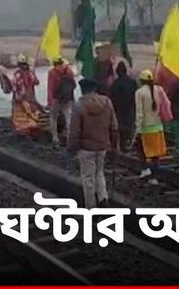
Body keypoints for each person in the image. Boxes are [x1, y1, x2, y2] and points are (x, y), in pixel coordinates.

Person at [68, 78, 119, 208]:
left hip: (86, 148)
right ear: (95, 89)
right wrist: (114, 147)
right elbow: (114, 127)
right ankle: (103, 198)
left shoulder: (78, 105)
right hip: (102, 146)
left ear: (82, 89)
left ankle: (91, 207)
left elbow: (75, 131)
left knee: (88, 178)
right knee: (99, 173)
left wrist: (71, 148)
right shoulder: (107, 103)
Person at [135, 69, 171, 185]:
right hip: (158, 126)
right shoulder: (159, 89)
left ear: (141, 81)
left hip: (146, 128)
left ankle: (145, 170)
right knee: (155, 155)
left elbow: (140, 113)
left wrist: (138, 129)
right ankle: (154, 176)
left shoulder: (139, 93)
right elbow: (167, 104)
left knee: (141, 150)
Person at [11, 54, 43, 137]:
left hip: (21, 98)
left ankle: (22, 130)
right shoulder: (30, 73)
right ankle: (32, 129)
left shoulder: (17, 74)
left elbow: (13, 86)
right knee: (32, 113)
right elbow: (37, 82)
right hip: (30, 97)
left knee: (21, 115)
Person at [47, 56, 76, 145]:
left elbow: (50, 87)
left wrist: (50, 101)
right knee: (69, 117)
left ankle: (55, 137)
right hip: (68, 98)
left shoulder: (52, 72)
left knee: (53, 117)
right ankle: (70, 137)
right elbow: (73, 85)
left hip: (57, 98)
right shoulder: (69, 71)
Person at [109, 61, 137, 153]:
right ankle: (127, 144)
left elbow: (112, 98)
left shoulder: (115, 84)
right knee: (129, 126)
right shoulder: (132, 82)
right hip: (130, 108)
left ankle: (122, 146)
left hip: (119, 110)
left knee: (120, 128)